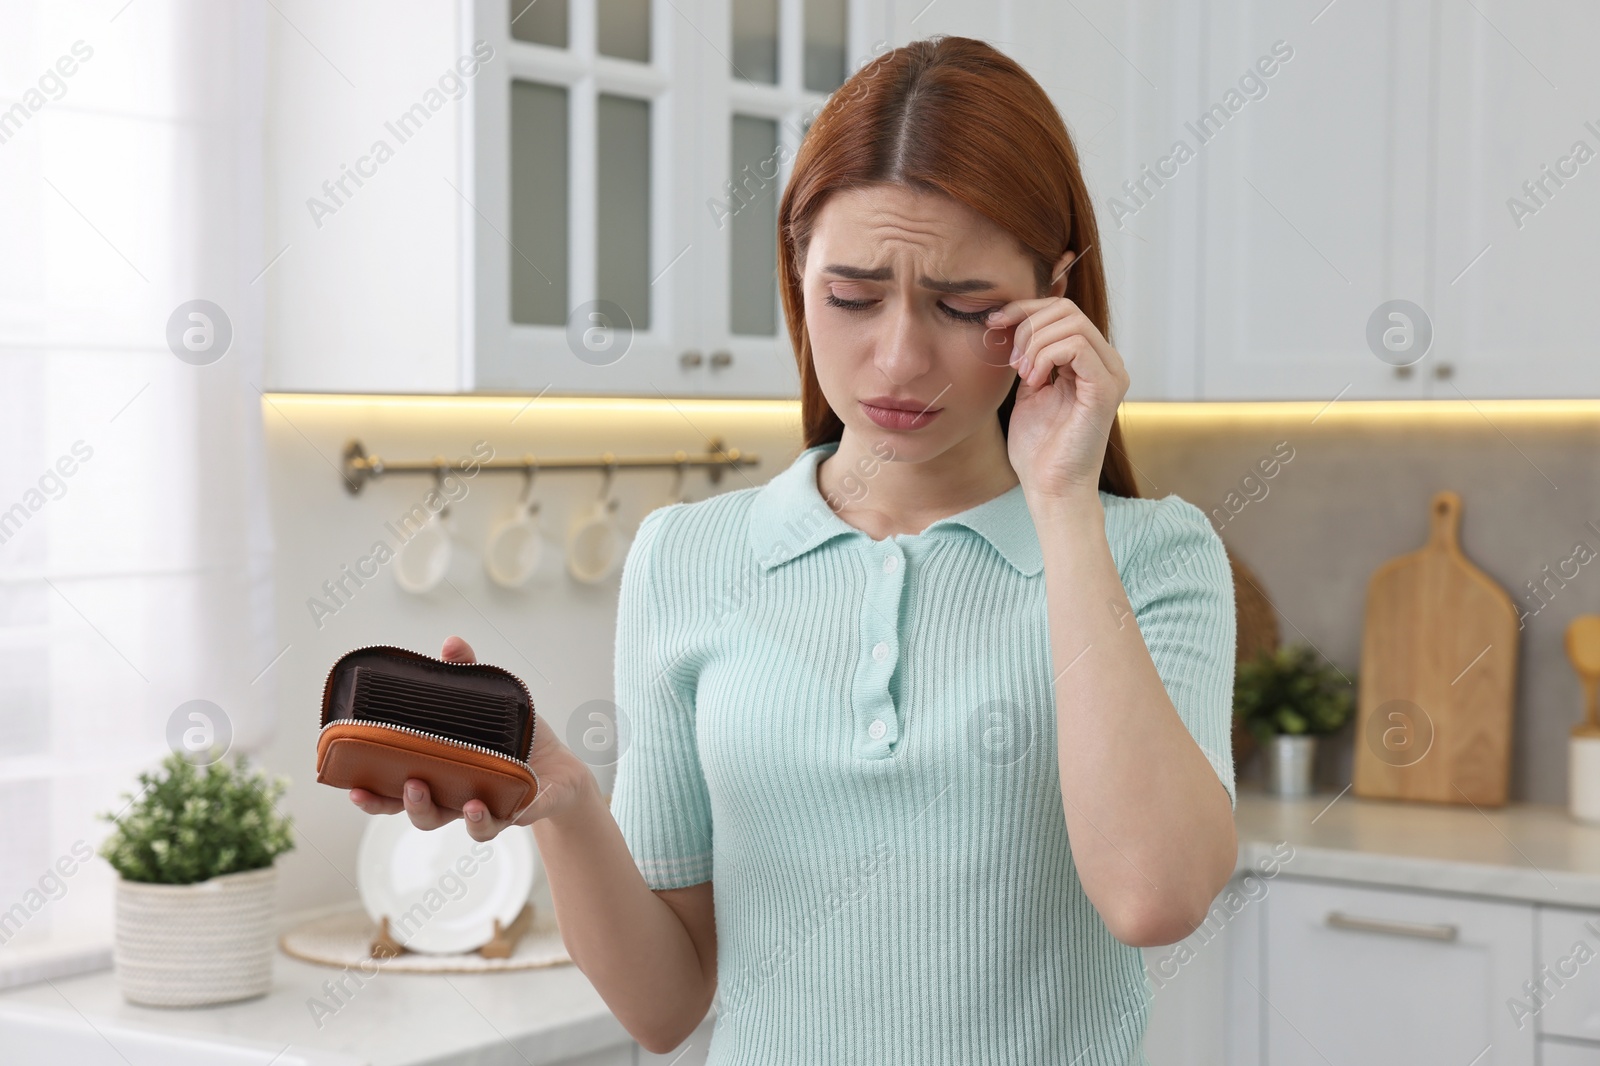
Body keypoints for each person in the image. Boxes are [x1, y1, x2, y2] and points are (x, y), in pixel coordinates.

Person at [350, 35, 1238, 1065]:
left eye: (965, 306)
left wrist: (1062, 502)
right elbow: (666, 1007)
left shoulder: (1153, 556)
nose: (899, 357)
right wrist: (564, 808)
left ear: (1056, 296)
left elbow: (1154, 897)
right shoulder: (686, 557)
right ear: (795, 271)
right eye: (852, 297)